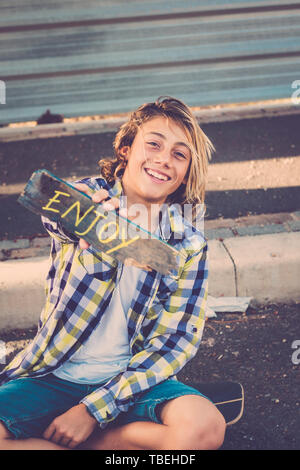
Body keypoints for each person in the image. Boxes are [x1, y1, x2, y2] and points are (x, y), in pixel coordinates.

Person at [0, 96, 226, 450]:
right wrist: (89, 222)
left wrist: (91, 412)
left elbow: (175, 342)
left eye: (179, 154)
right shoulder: (91, 197)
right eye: (154, 144)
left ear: (186, 172)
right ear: (125, 149)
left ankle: (98, 439)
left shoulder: (188, 244)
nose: (164, 159)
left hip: (131, 382)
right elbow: (54, 213)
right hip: (54, 376)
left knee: (205, 428)